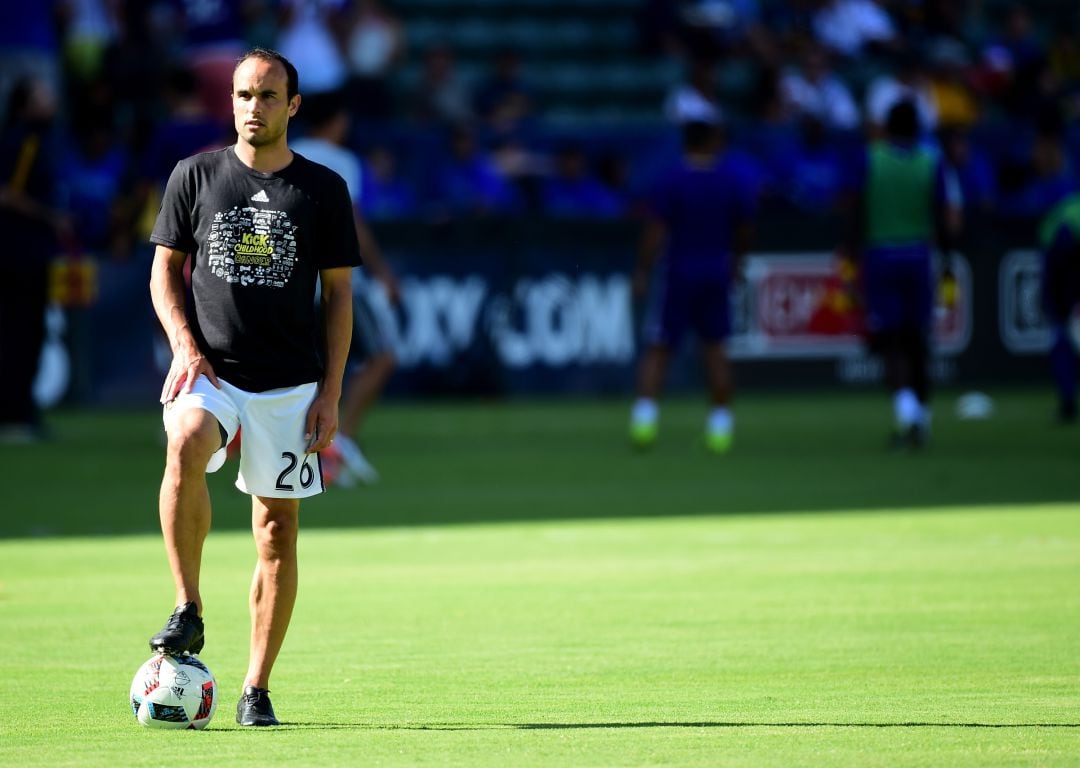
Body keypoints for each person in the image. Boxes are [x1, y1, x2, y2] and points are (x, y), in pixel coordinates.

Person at [146, 48, 361, 726]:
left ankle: (255, 689)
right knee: (185, 440)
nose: (253, 106)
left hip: (292, 385)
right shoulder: (195, 175)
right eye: (244, 94)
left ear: (292, 105)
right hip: (211, 371)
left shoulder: (323, 189)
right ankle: (188, 607)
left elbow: (339, 298)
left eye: (268, 95)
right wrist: (185, 346)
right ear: (230, 100)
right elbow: (163, 275)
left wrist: (330, 393)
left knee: (276, 533)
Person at [629, 118, 757, 453]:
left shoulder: (673, 179)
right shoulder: (729, 181)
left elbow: (655, 230)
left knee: (660, 347)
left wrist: (642, 270)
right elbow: (744, 227)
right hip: (716, 272)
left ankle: (644, 423)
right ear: (714, 141)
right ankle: (720, 429)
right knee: (715, 349)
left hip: (678, 274)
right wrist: (738, 262)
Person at [291, 92, 400, 485]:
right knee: (382, 357)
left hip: (291, 280)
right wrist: (383, 272)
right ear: (336, 121)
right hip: (334, 278)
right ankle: (341, 443)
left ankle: (312, 448)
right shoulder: (341, 161)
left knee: (309, 371)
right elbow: (352, 221)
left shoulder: (285, 151)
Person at [846, 100, 961, 448]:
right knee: (918, 340)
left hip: (881, 257)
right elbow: (942, 216)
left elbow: (856, 210)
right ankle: (920, 419)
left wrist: (850, 258)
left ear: (887, 126)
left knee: (891, 342)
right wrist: (946, 261)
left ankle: (908, 415)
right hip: (918, 256)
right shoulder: (931, 161)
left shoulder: (871, 158)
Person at [0, 77, 64, 443]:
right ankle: (14, 413)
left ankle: (19, 408)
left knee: (24, 331)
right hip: (19, 253)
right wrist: (50, 217)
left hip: (26, 252)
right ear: (25, 104)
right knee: (22, 332)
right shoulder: (23, 141)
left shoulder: (32, 140)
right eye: (43, 94)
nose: (51, 101)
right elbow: (8, 194)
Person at [1038, 191, 1080, 422]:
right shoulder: (1067, 215)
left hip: (1064, 291)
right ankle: (1067, 403)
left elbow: (1058, 261)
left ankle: (1067, 403)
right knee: (1063, 342)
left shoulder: (1062, 217)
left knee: (1062, 343)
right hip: (1065, 291)